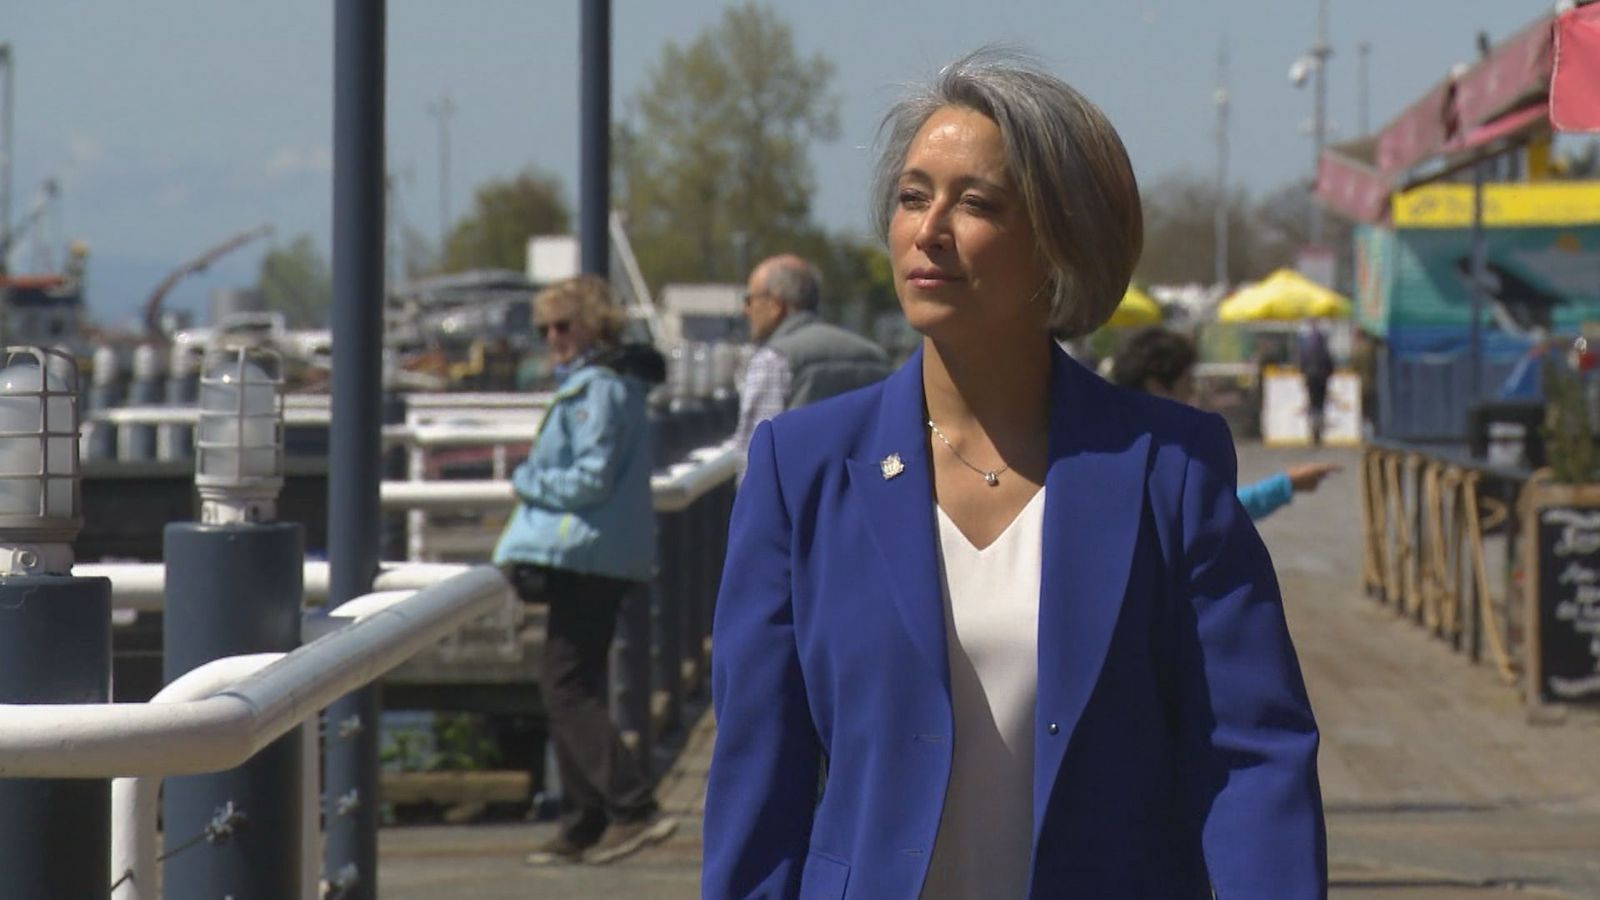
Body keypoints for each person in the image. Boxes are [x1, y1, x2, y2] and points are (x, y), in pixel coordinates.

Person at [703, 50, 1326, 899]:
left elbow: (1251, 759)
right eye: (912, 196)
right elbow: (757, 779)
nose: (929, 229)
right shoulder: (801, 469)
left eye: (976, 204)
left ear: (1060, 242)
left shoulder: (1169, 470)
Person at [492, 275, 677, 866]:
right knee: (578, 685)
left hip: (587, 556)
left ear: (594, 326)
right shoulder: (613, 385)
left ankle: (632, 805)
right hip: (602, 556)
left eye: (563, 325)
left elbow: (591, 479)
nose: (552, 337)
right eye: (544, 328)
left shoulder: (598, 390)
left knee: (565, 687)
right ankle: (582, 823)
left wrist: (527, 480)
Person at [1111, 326, 1341, 521]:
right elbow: (1211, 513)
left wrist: (1288, 484)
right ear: (1156, 386)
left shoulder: (1114, 444)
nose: (1192, 393)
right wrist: (1285, 486)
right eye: (1187, 382)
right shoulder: (1160, 455)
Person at [732, 254, 893, 478]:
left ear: (775, 305)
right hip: (869, 491)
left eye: (750, 299)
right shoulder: (875, 355)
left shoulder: (773, 359)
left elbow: (755, 460)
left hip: (802, 496)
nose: (745, 310)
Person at [1298, 318, 1335, 445]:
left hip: (1310, 377)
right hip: (1322, 378)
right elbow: (1329, 362)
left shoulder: (1305, 345)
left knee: (1312, 403)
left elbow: (1302, 362)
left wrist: (1304, 373)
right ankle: (1318, 431)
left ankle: (1313, 430)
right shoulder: (1323, 345)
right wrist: (1328, 374)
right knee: (1320, 404)